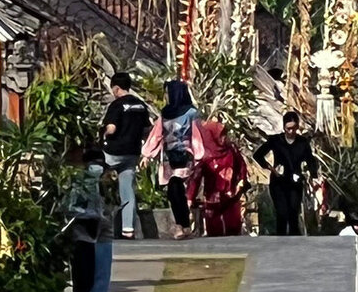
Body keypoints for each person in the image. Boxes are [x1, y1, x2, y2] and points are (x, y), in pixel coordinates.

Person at [60, 143, 113, 292]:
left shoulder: (92, 180)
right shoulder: (85, 180)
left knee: (89, 278)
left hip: (91, 231)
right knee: (85, 278)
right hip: (83, 232)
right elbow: (73, 208)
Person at [141, 79, 199, 239]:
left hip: (185, 156)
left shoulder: (191, 113)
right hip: (168, 158)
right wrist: (147, 154)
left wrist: (199, 156)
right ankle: (185, 225)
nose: (166, 96)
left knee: (175, 187)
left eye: (167, 92)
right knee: (175, 192)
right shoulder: (165, 113)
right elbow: (157, 134)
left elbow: (197, 135)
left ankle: (180, 225)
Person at [99, 73, 152, 239]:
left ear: (116, 88)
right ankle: (128, 229)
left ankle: (96, 222)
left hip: (113, 153)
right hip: (132, 153)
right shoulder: (140, 105)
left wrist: (102, 133)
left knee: (92, 179)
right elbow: (146, 130)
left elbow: (112, 129)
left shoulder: (116, 105)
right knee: (127, 190)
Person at [252, 112, 320, 236]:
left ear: (298, 127)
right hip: (278, 182)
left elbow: (310, 161)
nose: (291, 131)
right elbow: (257, 155)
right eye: (288, 128)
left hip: (295, 182)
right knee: (282, 213)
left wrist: (313, 177)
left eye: (294, 128)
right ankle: (281, 244)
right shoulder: (276, 140)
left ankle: (295, 245)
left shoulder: (302, 142)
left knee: (293, 213)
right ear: (284, 127)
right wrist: (271, 168)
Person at [190, 118, 250, 237]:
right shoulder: (205, 154)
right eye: (221, 135)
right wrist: (190, 196)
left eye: (224, 135)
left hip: (231, 193)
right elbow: (196, 177)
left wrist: (241, 181)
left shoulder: (231, 149)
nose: (223, 138)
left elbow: (241, 165)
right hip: (213, 195)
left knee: (233, 226)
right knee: (214, 229)